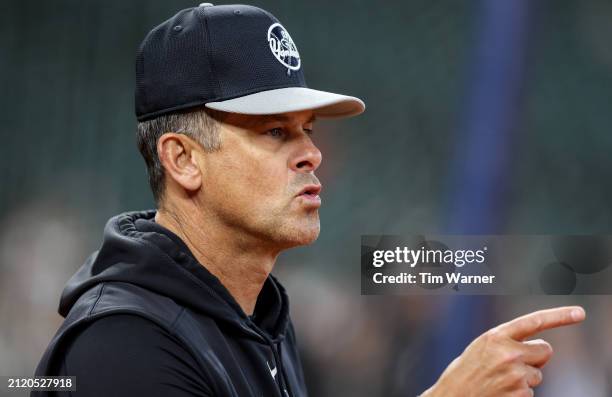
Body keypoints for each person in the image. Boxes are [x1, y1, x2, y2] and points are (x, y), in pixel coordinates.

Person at [33, 4, 586, 397]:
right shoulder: (122, 344)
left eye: (309, 130)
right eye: (275, 132)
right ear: (182, 160)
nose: (311, 155)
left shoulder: (261, 316)